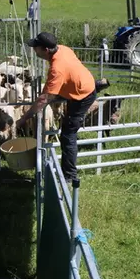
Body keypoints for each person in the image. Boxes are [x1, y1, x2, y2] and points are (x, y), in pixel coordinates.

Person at [16, 32, 97, 182]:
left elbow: (43, 99)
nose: (34, 50)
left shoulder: (57, 69)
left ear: (45, 50)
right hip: (80, 84)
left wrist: (24, 118)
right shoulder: (63, 49)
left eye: (36, 48)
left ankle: (70, 176)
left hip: (82, 95)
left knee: (68, 135)